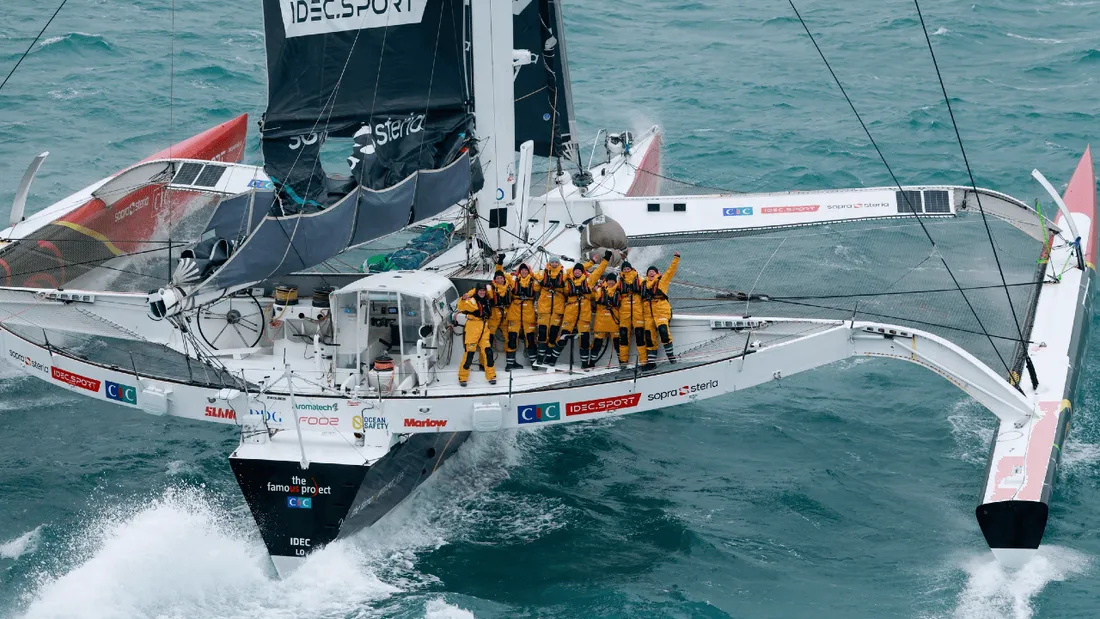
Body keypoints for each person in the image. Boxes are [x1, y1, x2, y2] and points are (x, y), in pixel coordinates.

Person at [546, 250, 611, 368]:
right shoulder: (567, 281)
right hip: (570, 313)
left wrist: (605, 259)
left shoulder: (589, 281)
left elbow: (599, 271)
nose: (577, 271)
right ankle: (552, 359)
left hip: (584, 314)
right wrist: (589, 263)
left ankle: (585, 363)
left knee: (584, 339)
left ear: (582, 272)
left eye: (579, 270)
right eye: (575, 270)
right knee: (563, 337)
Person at [642, 251, 681, 369]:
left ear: (658, 273)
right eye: (649, 272)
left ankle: (671, 358)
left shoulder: (662, 281)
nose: (651, 273)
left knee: (663, 332)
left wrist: (676, 258)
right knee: (649, 337)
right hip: (648, 314)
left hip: (661, 311)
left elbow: (671, 271)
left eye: (653, 271)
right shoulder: (642, 284)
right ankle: (651, 363)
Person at [457, 285, 497, 387]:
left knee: (488, 352)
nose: (482, 292)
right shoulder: (472, 301)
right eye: (480, 291)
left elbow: (492, 293)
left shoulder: (487, 301)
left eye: (483, 291)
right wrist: (463, 298)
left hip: (484, 328)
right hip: (472, 329)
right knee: (469, 354)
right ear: (476, 291)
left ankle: (491, 375)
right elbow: (461, 306)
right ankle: (463, 377)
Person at [534, 255, 567, 364]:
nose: (554, 264)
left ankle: (548, 357)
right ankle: (540, 357)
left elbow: (567, 290)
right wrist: (537, 281)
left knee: (553, 334)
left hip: (557, 311)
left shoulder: (564, 275)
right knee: (542, 334)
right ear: (549, 263)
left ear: (558, 264)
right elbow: (536, 288)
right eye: (552, 262)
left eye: (556, 262)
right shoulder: (542, 274)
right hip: (544, 310)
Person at [616, 261, 647, 368]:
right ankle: (623, 362)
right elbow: (610, 289)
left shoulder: (639, 279)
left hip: (637, 311)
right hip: (624, 312)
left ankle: (644, 361)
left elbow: (648, 286)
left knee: (639, 335)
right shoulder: (619, 280)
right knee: (623, 336)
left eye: (627, 268)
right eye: (624, 269)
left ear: (631, 268)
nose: (626, 270)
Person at [508, 262, 538, 367]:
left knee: (530, 338)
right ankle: (510, 363)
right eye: (522, 270)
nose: (524, 271)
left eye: (526, 270)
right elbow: (501, 276)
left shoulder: (534, 281)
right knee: (512, 337)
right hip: (515, 312)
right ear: (519, 271)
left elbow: (542, 287)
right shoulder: (513, 281)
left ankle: (533, 363)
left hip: (528, 312)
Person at [590, 272, 621, 369]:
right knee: (597, 343)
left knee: (617, 344)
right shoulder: (599, 290)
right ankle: (591, 363)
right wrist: (594, 290)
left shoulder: (619, 290)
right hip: (601, 322)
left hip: (614, 322)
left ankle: (622, 362)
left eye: (613, 280)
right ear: (606, 281)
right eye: (609, 280)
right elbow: (594, 297)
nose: (611, 282)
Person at [488, 254, 512, 358]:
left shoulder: (508, 286)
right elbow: (477, 292)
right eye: (497, 278)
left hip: (505, 316)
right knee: (489, 338)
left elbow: (500, 271)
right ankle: (485, 361)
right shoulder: (491, 288)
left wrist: (500, 262)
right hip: (493, 316)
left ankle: (510, 361)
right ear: (495, 279)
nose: (500, 280)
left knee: (510, 338)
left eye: (501, 278)